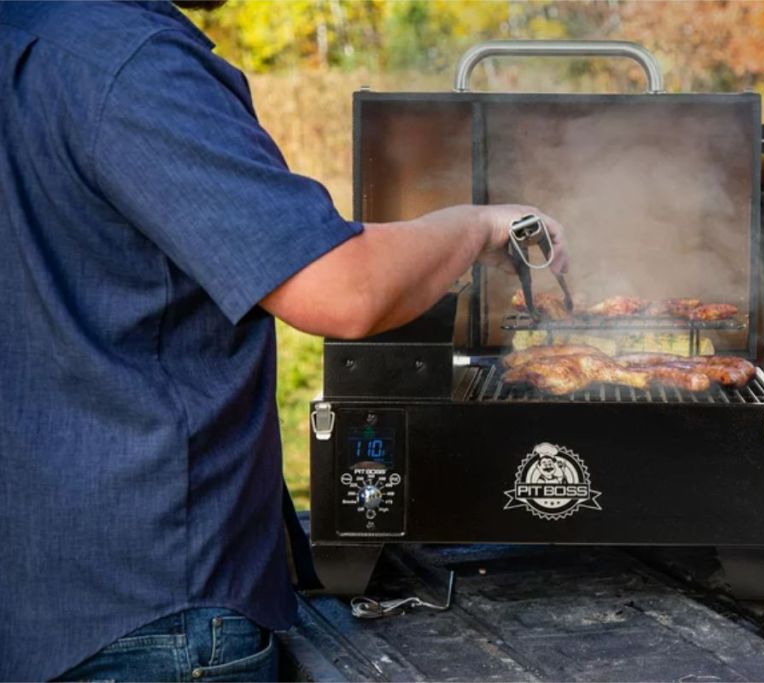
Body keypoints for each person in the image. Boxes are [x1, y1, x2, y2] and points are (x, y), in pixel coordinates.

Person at [0, 1, 568, 680]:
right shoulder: (128, 65)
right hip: (153, 613)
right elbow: (341, 289)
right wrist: (479, 226)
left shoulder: (25, 38)